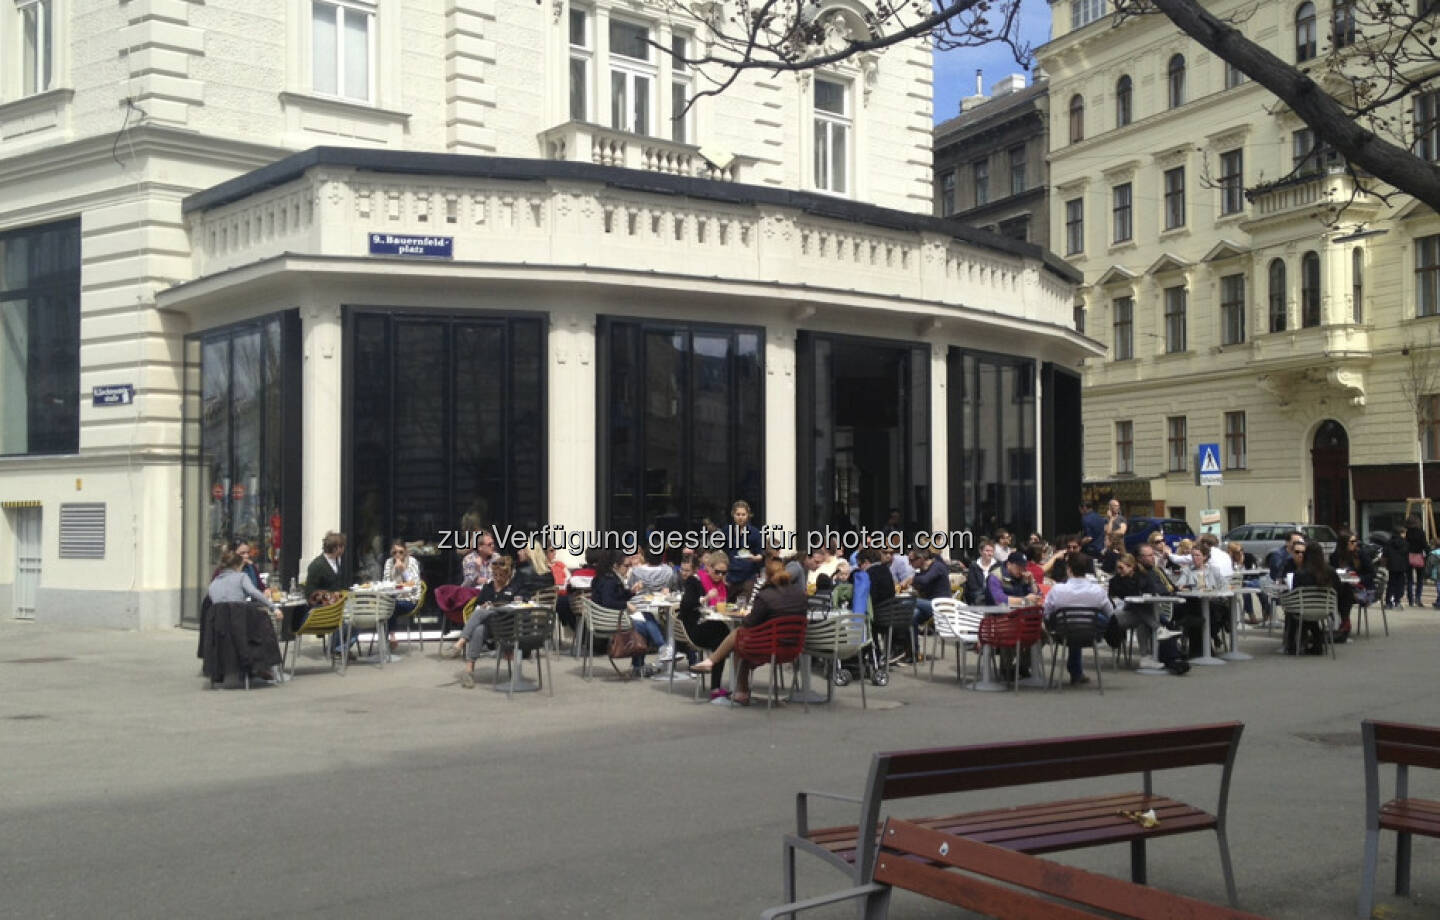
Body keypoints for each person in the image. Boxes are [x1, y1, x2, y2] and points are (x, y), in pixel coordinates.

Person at [690, 557, 807, 706]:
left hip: (769, 647)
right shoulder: (800, 594)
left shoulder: (766, 595)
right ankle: (713, 663)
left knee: (739, 638)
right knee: (741, 637)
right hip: (793, 648)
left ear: (767, 576)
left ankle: (739, 691)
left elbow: (749, 623)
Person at [444, 556, 535, 687]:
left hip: (509, 625)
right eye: (495, 574)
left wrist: (508, 605)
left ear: (509, 574)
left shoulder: (517, 586)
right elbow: (479, 604)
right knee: (479, 627)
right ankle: (468, 672)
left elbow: (526, 603)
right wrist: (485, 606)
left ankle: (460, 643)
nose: (497, 578)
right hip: (492, 628)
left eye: (501, 575)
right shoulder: (488, 587)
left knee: (483, 616)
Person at [1043, 552, 1112, 685]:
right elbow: (1111, 614)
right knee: (1090, 619)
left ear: (1068, 569)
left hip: (1063, 632)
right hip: (1091, 633)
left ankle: (1076, 672)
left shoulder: (1057, 590)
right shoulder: (1098, 590)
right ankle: (1076, 672)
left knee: (1071, 623)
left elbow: (1046, 613)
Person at [676, 555, 734, 698]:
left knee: (726, 633)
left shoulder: (723, 586)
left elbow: (729, 604)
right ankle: (716, 687)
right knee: (725, 636)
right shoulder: (694, 581)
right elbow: (687, 605)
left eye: (724, 573)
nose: (720, 576)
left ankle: (720, 682)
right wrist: (706, 598)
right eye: (717, 572)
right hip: (693, 627)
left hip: (711, 625)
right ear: (708, 568)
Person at [1289, 542, 1339, 654]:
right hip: (1326, 609)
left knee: (1293, 610)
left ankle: (1293, 645)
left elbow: (1294, 591)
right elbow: (1337, 588)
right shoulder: (1330, 571)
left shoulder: (1300, 573)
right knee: (1312, 612)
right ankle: (1316, 641)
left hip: (1304, 609)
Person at [304, 531, 349, 654]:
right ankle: (335, 649)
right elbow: (309, 593)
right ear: (336, 548)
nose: (344, 549)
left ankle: (340, 648)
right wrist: (329, 597)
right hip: (323, 607)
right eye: (342, 546)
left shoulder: (338, 562)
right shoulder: (317, 565)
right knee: (345, 621)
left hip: (339, 604)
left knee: (358, 619)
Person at [1329, 528, 1369, 642]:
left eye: (1355, 541)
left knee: (1345, 591)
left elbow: (1371, 573)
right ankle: (1343, 623)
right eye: (1352, 542)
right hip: (1343, 587)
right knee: (1342, 589)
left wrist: (1358, 579)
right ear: (1343, 543)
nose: (1355, 544)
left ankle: (1344, 623)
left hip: (1362, 590)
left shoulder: (1361, 554)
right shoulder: (1336, 556)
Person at [381, 540, 421, 654]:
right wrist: (394, 570)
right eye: (394, 552)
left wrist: (403, 570)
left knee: (390, 606)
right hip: (393, 597)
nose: (397, 555)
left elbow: (414, 586)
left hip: (409, 599)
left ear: (406, 552)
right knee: (385, 605)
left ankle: (391, 637)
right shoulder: (389, 562)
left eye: (400, 552)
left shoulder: (412, 562)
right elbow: (386, 581)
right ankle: (385, 641)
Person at [724, 500, 764, 603]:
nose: (740, 517)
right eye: (738, 514)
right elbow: (721, 552)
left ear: (748, 515)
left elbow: (761, 554)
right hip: (730, 576)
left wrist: (754, 558)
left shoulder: (755, 532)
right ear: (733, 514)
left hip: (748, 576)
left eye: (743, 514)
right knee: (728, 606)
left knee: (742, 608)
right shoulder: (726, 531)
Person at [1405, 515, 1429, 606]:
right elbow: (1425, 545)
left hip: (1409, 556)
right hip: (1419, 557)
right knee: (1420, 579)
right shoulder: (1421, 532)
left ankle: (1410, 600)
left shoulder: (1407, 533)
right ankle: (1418, 598)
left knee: (1409, 580)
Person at [1384, 528, 1410, 609]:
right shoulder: (1405, 543)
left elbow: (1385, 553)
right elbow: (1406, 555)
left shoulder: (1389, 542)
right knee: (1400, 584)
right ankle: (1397, 601)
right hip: (1401, 567)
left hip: (1392, 566)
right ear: (1401, 533)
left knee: (1391, 584)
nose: (1405, 535)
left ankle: (1388, 602)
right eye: (1404, 533)